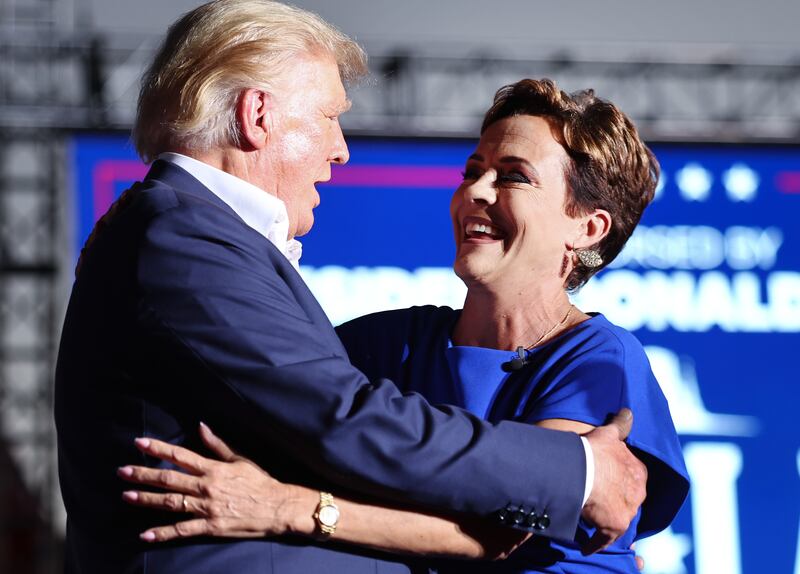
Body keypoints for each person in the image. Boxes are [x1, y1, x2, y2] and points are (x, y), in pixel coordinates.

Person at [53, 2, 646, 573]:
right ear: (257, 115)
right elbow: (344, 418)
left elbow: (504, 533)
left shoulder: (595, 356)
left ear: (588, 227)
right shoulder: (185, 239)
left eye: (514, 177)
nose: (340, 150)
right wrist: (578, 474)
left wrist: (287, 507)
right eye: (329, 118)